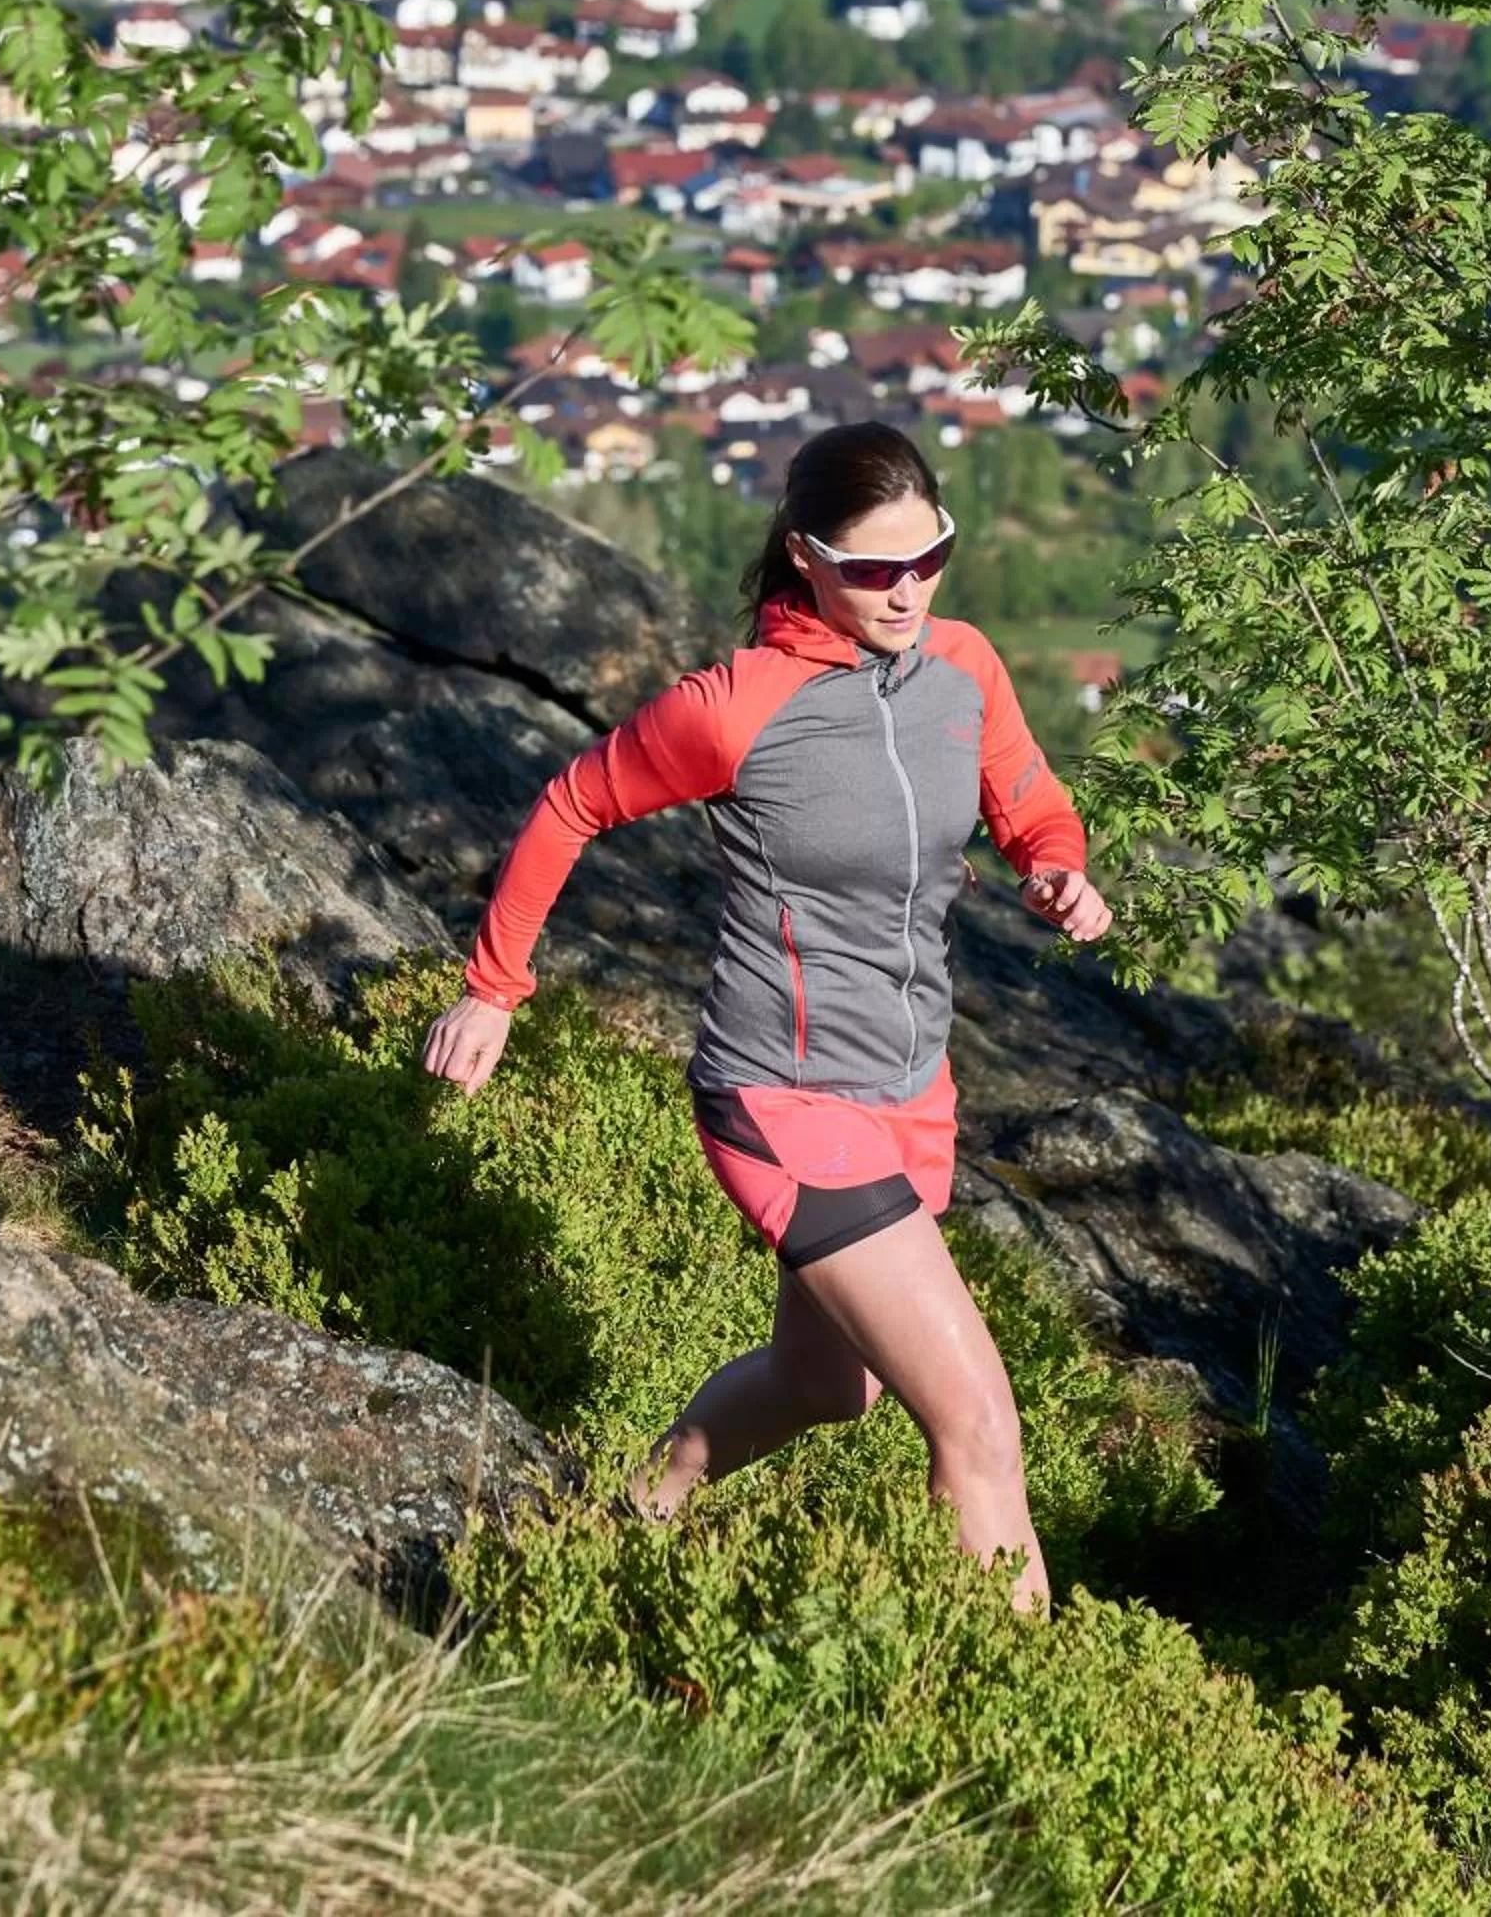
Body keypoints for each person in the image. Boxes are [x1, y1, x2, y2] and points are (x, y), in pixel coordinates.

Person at [420, 419, 1114, 1613]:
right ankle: (1013, 1731)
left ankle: (632, 1514)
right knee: (977, 1423)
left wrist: (1055, 866)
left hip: (910, 1094)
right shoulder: (737, 705)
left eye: (927, 559)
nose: (906, 591)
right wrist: (493, 990)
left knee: (823, 1386)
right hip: (783, 1093)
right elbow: (570, 804)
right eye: (874, 569)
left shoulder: (964, 666)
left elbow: (1027, 799)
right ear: (805, 557)